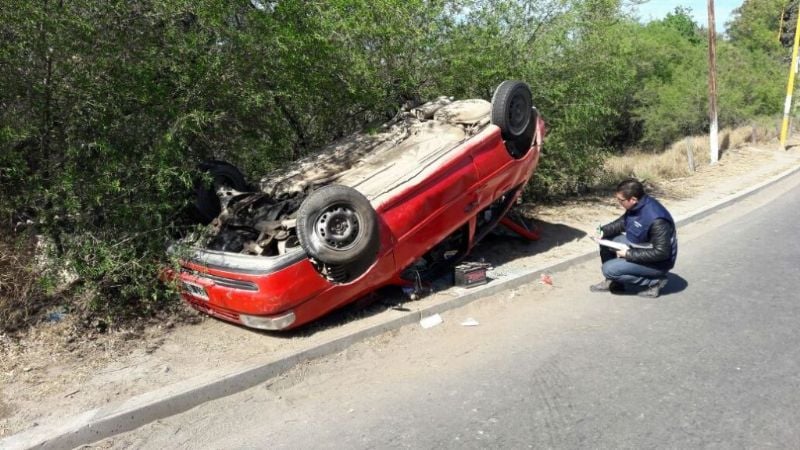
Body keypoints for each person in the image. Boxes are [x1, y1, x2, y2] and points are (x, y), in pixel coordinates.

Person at [590, 178, 678, 298]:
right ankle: (614, 282)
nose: (618, 202)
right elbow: (624, 222)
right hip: (642, 247)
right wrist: (602, 231)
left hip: (659, 263)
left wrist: (628, 254)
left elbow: (662, 253)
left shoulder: (658, 220)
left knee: (608, 269)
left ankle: (654, 282)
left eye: (621, 200)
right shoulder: (637, 206)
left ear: (633, 199)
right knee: (606, 241)